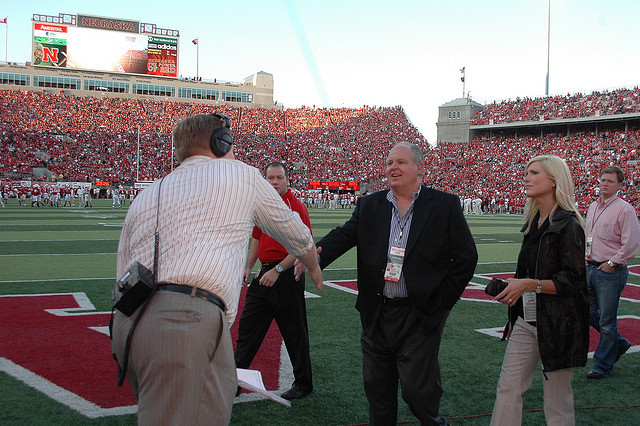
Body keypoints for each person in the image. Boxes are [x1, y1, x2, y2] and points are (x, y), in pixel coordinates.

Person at [111, 113, 323, 425]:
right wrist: (315, 269)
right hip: (184, 319)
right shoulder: (242, 175)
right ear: (221, 143)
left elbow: (122, 270)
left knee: (215, 390)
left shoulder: (149, 192)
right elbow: (297, 233)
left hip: (129, 320)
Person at [306, 142, 478, 425]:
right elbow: (344, 235)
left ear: (419, 168)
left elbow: (466, 257)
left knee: (417, 392)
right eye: (388, 163)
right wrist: (313, 258)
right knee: (378, 392)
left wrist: (443, 301)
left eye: (400, 162)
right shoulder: (371, 204)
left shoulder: (444, 205)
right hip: (377, 310)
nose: (392, 168)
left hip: (419, 313)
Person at [490, 155, 589, 425]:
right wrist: (515, 305)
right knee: (508, 388)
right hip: (526, 320)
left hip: (558, 322)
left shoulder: (568, 225)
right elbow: (525, 273)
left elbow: (574, 281)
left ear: (554, 180)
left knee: (557, 401)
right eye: (526, 172)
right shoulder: (532, 222)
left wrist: (530, 285)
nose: (527, 177)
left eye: (534, 173)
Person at [235, 161, 314, 400]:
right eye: (271, 178)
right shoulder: (264, 206)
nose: (275, 182)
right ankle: (234, 381)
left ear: (287, 180)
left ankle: (303, 384)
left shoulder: (295, 207)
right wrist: (249, 266)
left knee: (294, 333)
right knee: (247, 331)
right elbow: (257, 239)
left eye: (279, 178)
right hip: (264, 274)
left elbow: (303, 245)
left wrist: (278, 270)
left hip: (286, 276)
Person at [584, 165, 640, 379]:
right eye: (602, 179)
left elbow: (631, 243)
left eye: (610, 181)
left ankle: (602, 365)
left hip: (609, 271)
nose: (604, 183)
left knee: (607, 320)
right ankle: (618, 343)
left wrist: (613, 262)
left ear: (619, 185)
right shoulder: (592, 207)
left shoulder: (624, 209)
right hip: (591, 267)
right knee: (587, 313)